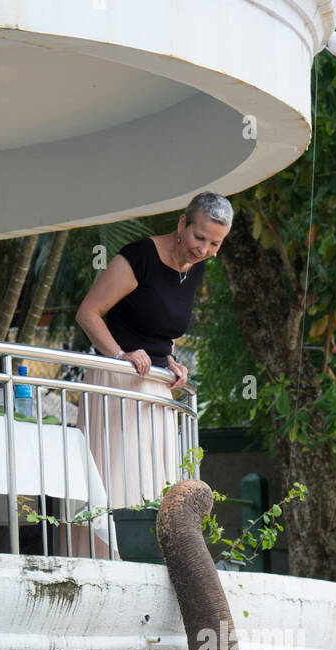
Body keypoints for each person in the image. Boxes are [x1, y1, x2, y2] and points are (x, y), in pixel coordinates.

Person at [74, 192, 232, 552]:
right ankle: (99, 559)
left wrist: (172, 359)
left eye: (214, 243)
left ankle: (144, 559)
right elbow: (88, 313)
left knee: (154, 485)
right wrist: (120, 354)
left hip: (156, 387)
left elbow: (165, 331)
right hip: (116, 381)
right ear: (182, 224)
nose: (204, 248)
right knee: (116, 482)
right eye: (199, 237)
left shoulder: (198, 267)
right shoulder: (139, 257)